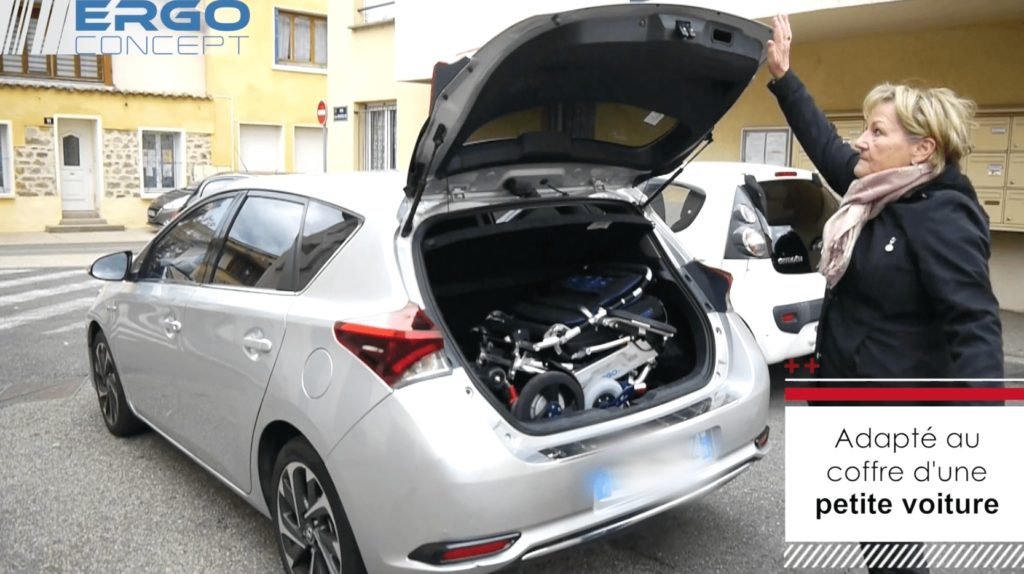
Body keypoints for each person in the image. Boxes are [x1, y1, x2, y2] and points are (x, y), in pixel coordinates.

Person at [766, 14, 1004, 574]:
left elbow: (974, 322)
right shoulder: (877, 193)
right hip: (851, 390)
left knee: (892, 544)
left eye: (877, 131)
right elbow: (827, 147)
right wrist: (784, 78)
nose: (861, 140)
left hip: (895, 408)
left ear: (922, 150)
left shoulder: (943, 215)